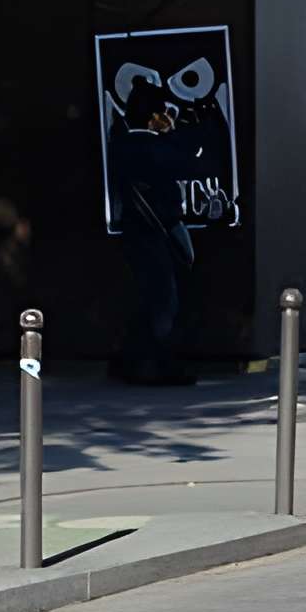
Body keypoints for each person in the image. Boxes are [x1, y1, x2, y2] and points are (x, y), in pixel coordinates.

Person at [109, 80, 198, 385]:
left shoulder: (125, 143)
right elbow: (186, 161)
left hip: (143, 229)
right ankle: (160, 364)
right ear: (153, 115)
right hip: (152, 230)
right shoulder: (145, 145)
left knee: (152, 297)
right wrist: (173, 132)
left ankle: (131, 361)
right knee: (163, 299)